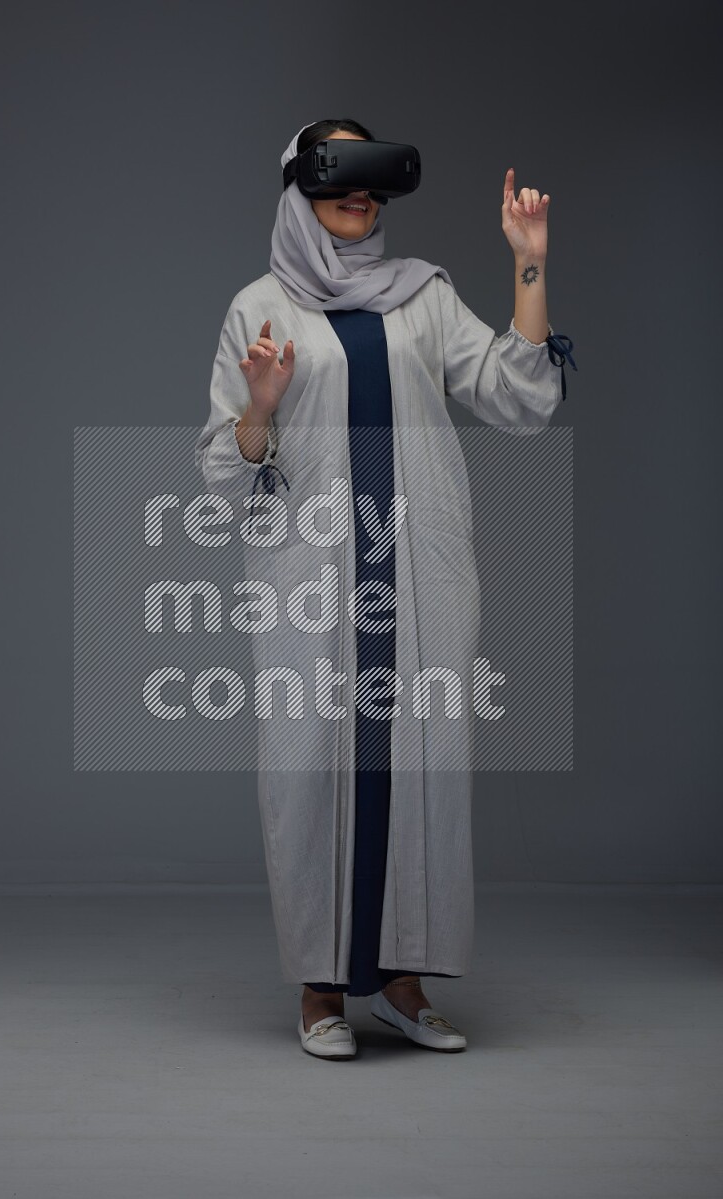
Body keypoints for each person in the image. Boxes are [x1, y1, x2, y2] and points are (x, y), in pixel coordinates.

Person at [195, 118, 576, 1061]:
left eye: (371, 180)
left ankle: (404, 985)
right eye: (339, 177)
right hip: (311, 581)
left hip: (419, 575)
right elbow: (223, 472)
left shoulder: (425, 297)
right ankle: (320, 991)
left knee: (422, 768)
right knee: (309, 770)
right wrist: (262, 407)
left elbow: (519, 398)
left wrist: (529, 266)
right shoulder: (259, 306)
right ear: (299, 190)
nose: (359, 197)